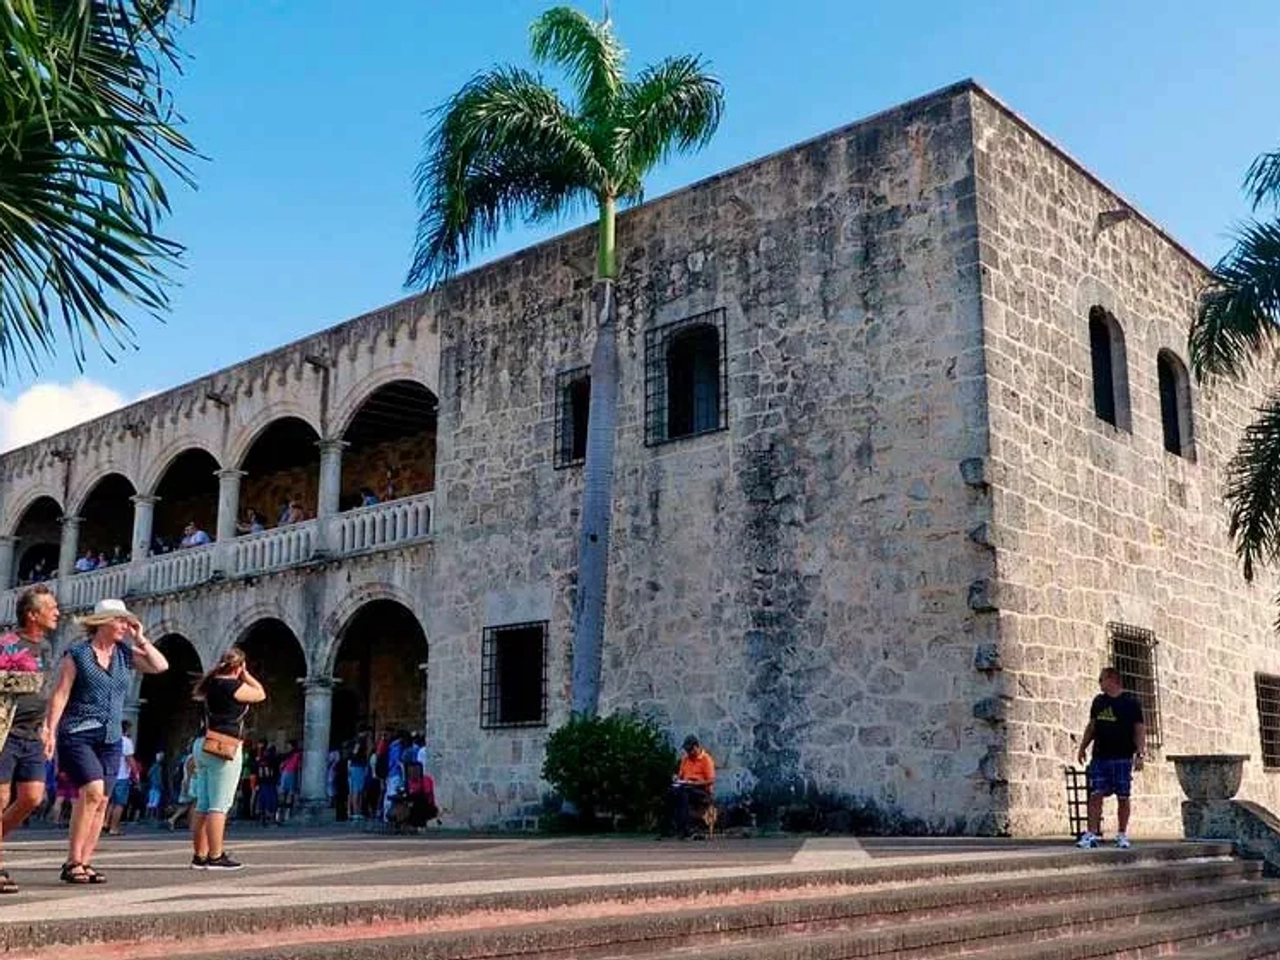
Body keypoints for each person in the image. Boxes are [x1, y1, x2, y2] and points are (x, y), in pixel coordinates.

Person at [43, 598, 168, 885]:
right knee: (92, 792)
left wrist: (141, 637)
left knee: (102, 800)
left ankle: (85, 862)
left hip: (111, 736)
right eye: (120, 621)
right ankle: (72, 860)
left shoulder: (124, 653)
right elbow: (60, 694)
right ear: (102, 624)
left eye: (126, 621)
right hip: (78, 733)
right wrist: (49, 729)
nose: (125, 625)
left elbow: (160, 666)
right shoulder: (77, 654)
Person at [0, 585, 59, 893]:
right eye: (51, 607)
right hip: (6, 730)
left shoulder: (48, 647)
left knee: (32, 797)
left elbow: (48, 690)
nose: (57, 612)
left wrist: (49, 728)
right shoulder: (7, 644)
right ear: (33, 615)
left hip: (33, 732)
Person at [190, 647, 266, 870]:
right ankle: (215, 856)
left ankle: (199, 855)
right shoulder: (234, 686)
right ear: (239, 666)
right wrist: (246, 675)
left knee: (203, 803)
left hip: (202, 743)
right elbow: (260, 693)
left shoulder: (209, 685)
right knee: (219, 805)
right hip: (224, 746)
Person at [1076, 666, 1146, 849]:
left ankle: (1122, 834)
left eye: (1101, 679)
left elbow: (1139, 729)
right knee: (1095, 794)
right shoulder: (1099, 702)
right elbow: (1092, 727)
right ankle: (1091, 833)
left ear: (1112, 679)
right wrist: (1083, 747)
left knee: (1123, 796)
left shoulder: (1131, 703)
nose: (1099, 683)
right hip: (1100, 756)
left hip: (1122, 756)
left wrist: (1140, 753)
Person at [670, 735, 716, 839]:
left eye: (690, 750)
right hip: (686, 786)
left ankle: (686, 829)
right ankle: (668, 828)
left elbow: (711, 780)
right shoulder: (685, 759)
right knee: (672, 792)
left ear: (697, 747)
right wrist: (676, 778)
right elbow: (680, 775)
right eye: (687, 750)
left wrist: (694, 783)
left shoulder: (706, 759)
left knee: (684, 793)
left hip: (701, 789)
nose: (689, 753)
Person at [105, 719, 136, 836]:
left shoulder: (110, 740)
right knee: (119, 803)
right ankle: (114, 828)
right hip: (122, 776)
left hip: (110, 775)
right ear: (126, 729)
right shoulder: (126, 742)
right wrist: (135, 774)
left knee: (110, 802)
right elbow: (130, 759)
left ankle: (105, 823)